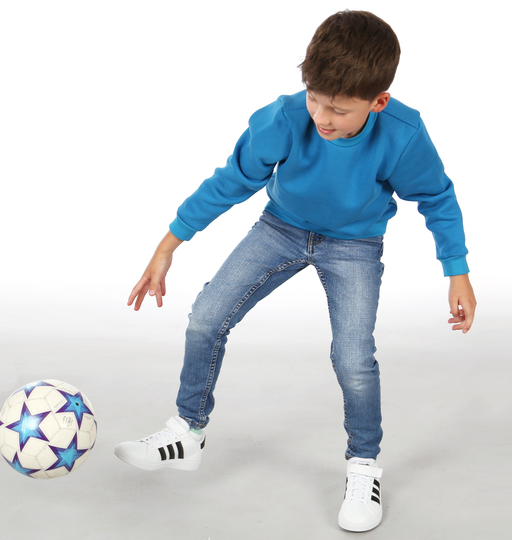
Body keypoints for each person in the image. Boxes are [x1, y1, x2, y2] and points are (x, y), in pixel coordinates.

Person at [114, 10, 476, 532]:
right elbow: (232, 180)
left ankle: (363, 466)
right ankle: (187, 432)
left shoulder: (402, 133)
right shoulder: (284, 117)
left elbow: (437, 197)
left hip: (354, 244)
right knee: (205, 318)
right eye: (315, 99)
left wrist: (457, 271)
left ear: (378, 102)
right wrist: (169, 244)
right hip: (280, 228)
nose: (322, 118)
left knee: (353, 358)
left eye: (339, 109)